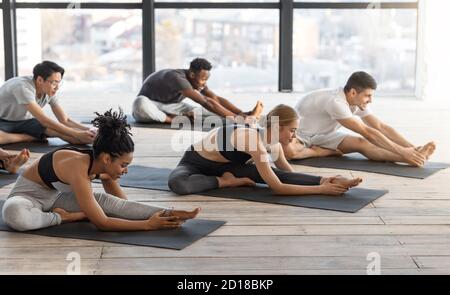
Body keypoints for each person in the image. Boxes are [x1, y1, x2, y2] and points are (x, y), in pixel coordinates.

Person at [2, 109, 200, 232]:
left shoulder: (102, 168)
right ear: (106, 158)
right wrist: (148, 225)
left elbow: (121, 206)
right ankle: (63, 217)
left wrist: (164, 214)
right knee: (14, 214)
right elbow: (103, 224)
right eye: (123, 165)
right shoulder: (76, 166)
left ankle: (168, 213)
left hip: (56, 197)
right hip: (28, 197)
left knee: (105, 202)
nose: (125, 171)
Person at [168, 104, 362, 196]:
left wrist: (329, 180)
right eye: (292, 131)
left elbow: (286, 175)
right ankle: (224, 182)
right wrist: (322, 190)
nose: (294, 137)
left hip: (231, 166)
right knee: (178, 184)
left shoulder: (274, 143)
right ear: (278, 127)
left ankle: (228, 178)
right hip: (195, 164)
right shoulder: (253, 142)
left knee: (273, 173)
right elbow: (278, 188)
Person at [285, 71, 435, 167]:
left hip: (323, 135)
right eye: (368, 95)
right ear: (353, 92)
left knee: (362, 144)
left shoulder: (357, 101)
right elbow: (368, 132)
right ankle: (319, 152)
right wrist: (403, 151)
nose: (371, 100)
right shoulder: (335, 102)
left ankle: (415, 155)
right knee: (289, 153)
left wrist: (412, 148)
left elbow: (380, 127)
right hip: (300, 135)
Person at [132, 57, 264, 125]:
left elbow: (214, 99)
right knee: (140, 103)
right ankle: (173, 120)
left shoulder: (197, 81)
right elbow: (206, 102)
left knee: (209, 113)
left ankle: (248, 117)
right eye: (203, 79)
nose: (204, 83)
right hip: (149, 106)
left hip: (171, 106)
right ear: (192, 75)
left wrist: (240, 113)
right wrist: (237, 119)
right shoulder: (177, 78)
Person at [0, 61, 96, 145]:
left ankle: (27, 136)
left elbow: (65, 120)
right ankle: (29, 137)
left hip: (27, 122)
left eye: (59, 83)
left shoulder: (50, 91)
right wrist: (76, 133)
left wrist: (88, 130)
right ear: (40, 80)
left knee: (70, 136)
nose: (57, 87)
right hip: (2, 120)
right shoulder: (22, 87)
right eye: (54, 83)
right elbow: (44, 120)